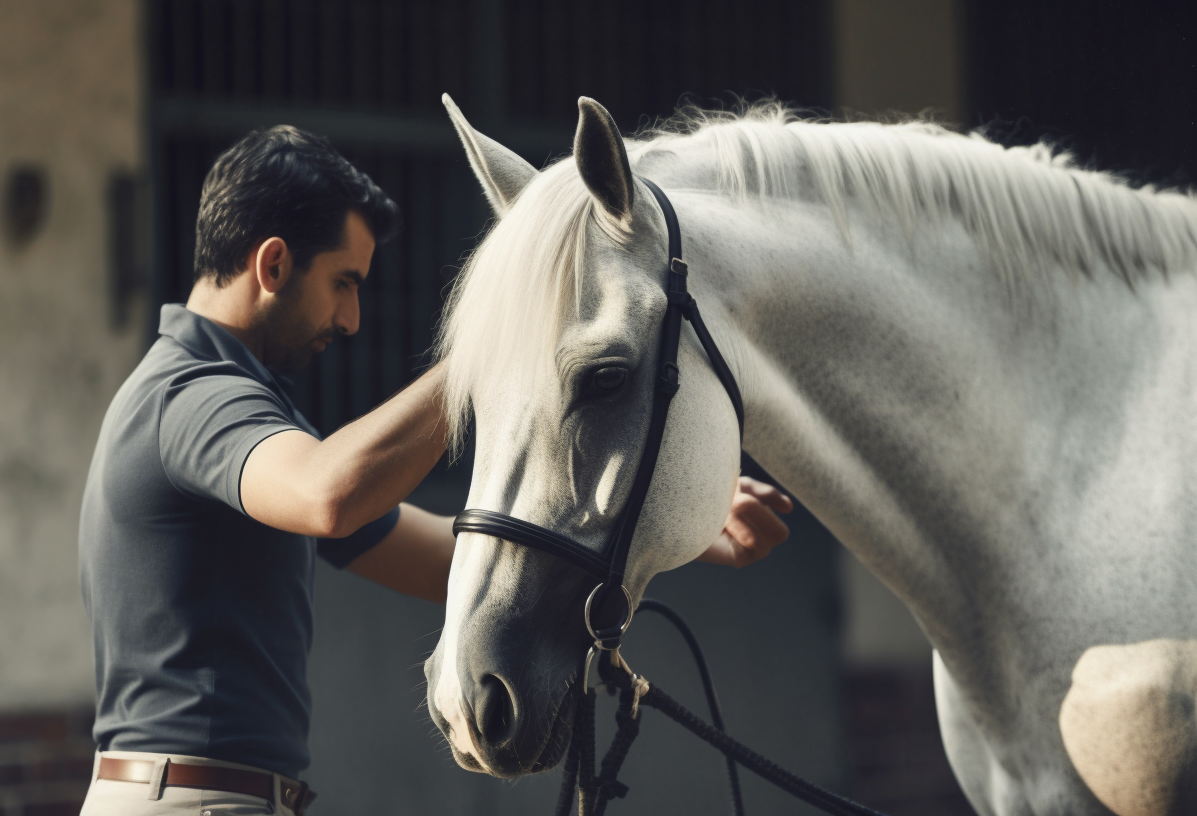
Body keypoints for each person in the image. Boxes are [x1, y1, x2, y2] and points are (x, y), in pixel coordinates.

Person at [77, 125, 794, 816]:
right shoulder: (192, 395)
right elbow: (331, 493)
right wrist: (502, 340)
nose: (353, 318)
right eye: (344, 283)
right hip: (195, 803)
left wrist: (673, 518)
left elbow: (457, 563)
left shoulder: (229, 413)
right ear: (272, 266)